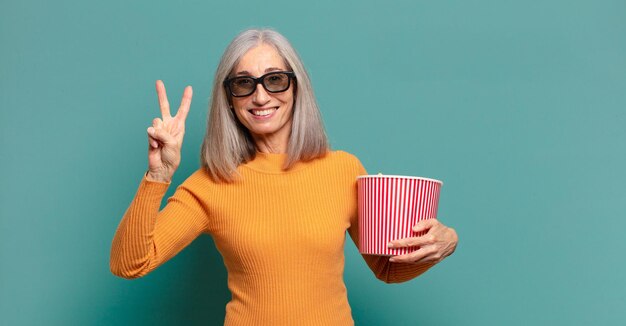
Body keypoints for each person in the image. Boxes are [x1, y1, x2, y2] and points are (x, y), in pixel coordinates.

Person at [110, 28, 458, 325]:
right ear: (229, 100)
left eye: (275, 79)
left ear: (296, 87)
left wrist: (444, 245)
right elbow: (129, 263)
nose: (261, 96)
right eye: (244, 84)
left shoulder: (343, 170)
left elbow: (387, 269)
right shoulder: (212, 183)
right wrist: (159, 174)